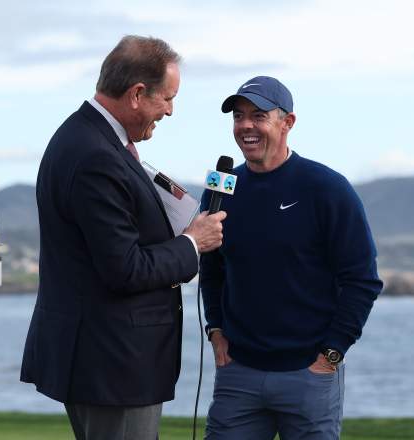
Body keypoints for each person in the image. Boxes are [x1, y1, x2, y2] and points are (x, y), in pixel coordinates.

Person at [20, 35, 227, 440]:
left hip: (106, 360)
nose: (169, 110)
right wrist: (192, 242)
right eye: (166, 98)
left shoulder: (91, 138)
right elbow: (125, 270)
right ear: (136, 94)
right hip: (112, 365)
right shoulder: (96, 155)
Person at [199, 76, 383, 440]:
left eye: (259, 115)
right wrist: (216, 330)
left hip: (309, 374)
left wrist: (331, 355)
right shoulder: (221, 188)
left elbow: (362, 279)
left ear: (288, 123)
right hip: (238, 371)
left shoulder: (328, 189)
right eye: (238, 116)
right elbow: (211, 267)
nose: (246, 126)